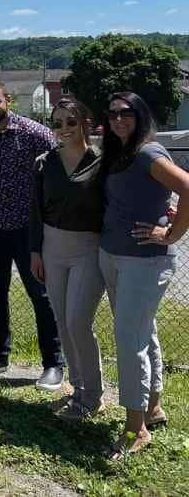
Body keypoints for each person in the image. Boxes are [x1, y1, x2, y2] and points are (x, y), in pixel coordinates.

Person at [98, 92, 189, 459]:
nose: (119, 119)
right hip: (114, 255)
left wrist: (171, 234)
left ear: (141, 115)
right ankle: (152, 406)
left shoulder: (149, 153)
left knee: (128, 339)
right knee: (141, 331)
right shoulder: (121, 153)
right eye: (114, 113)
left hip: (145, 260)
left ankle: (136, 429)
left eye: (127, 113)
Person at [0, 78, 65, 390]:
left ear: (8, 99)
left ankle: (53, 363)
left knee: (41, 295)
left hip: (29, 230)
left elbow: (60, 170)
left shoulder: (35, 133)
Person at [29, 98, 107, 421]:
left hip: (88, 247)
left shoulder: (103, 161)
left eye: (70, 122)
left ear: (85, 123)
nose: (63, 129)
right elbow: (34, 209)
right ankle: (78, 389)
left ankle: (93, 395)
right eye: (57, 122)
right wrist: (35, 251)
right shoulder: (44, 162)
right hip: (52, 246)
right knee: (62, 321)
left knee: (78, 321)